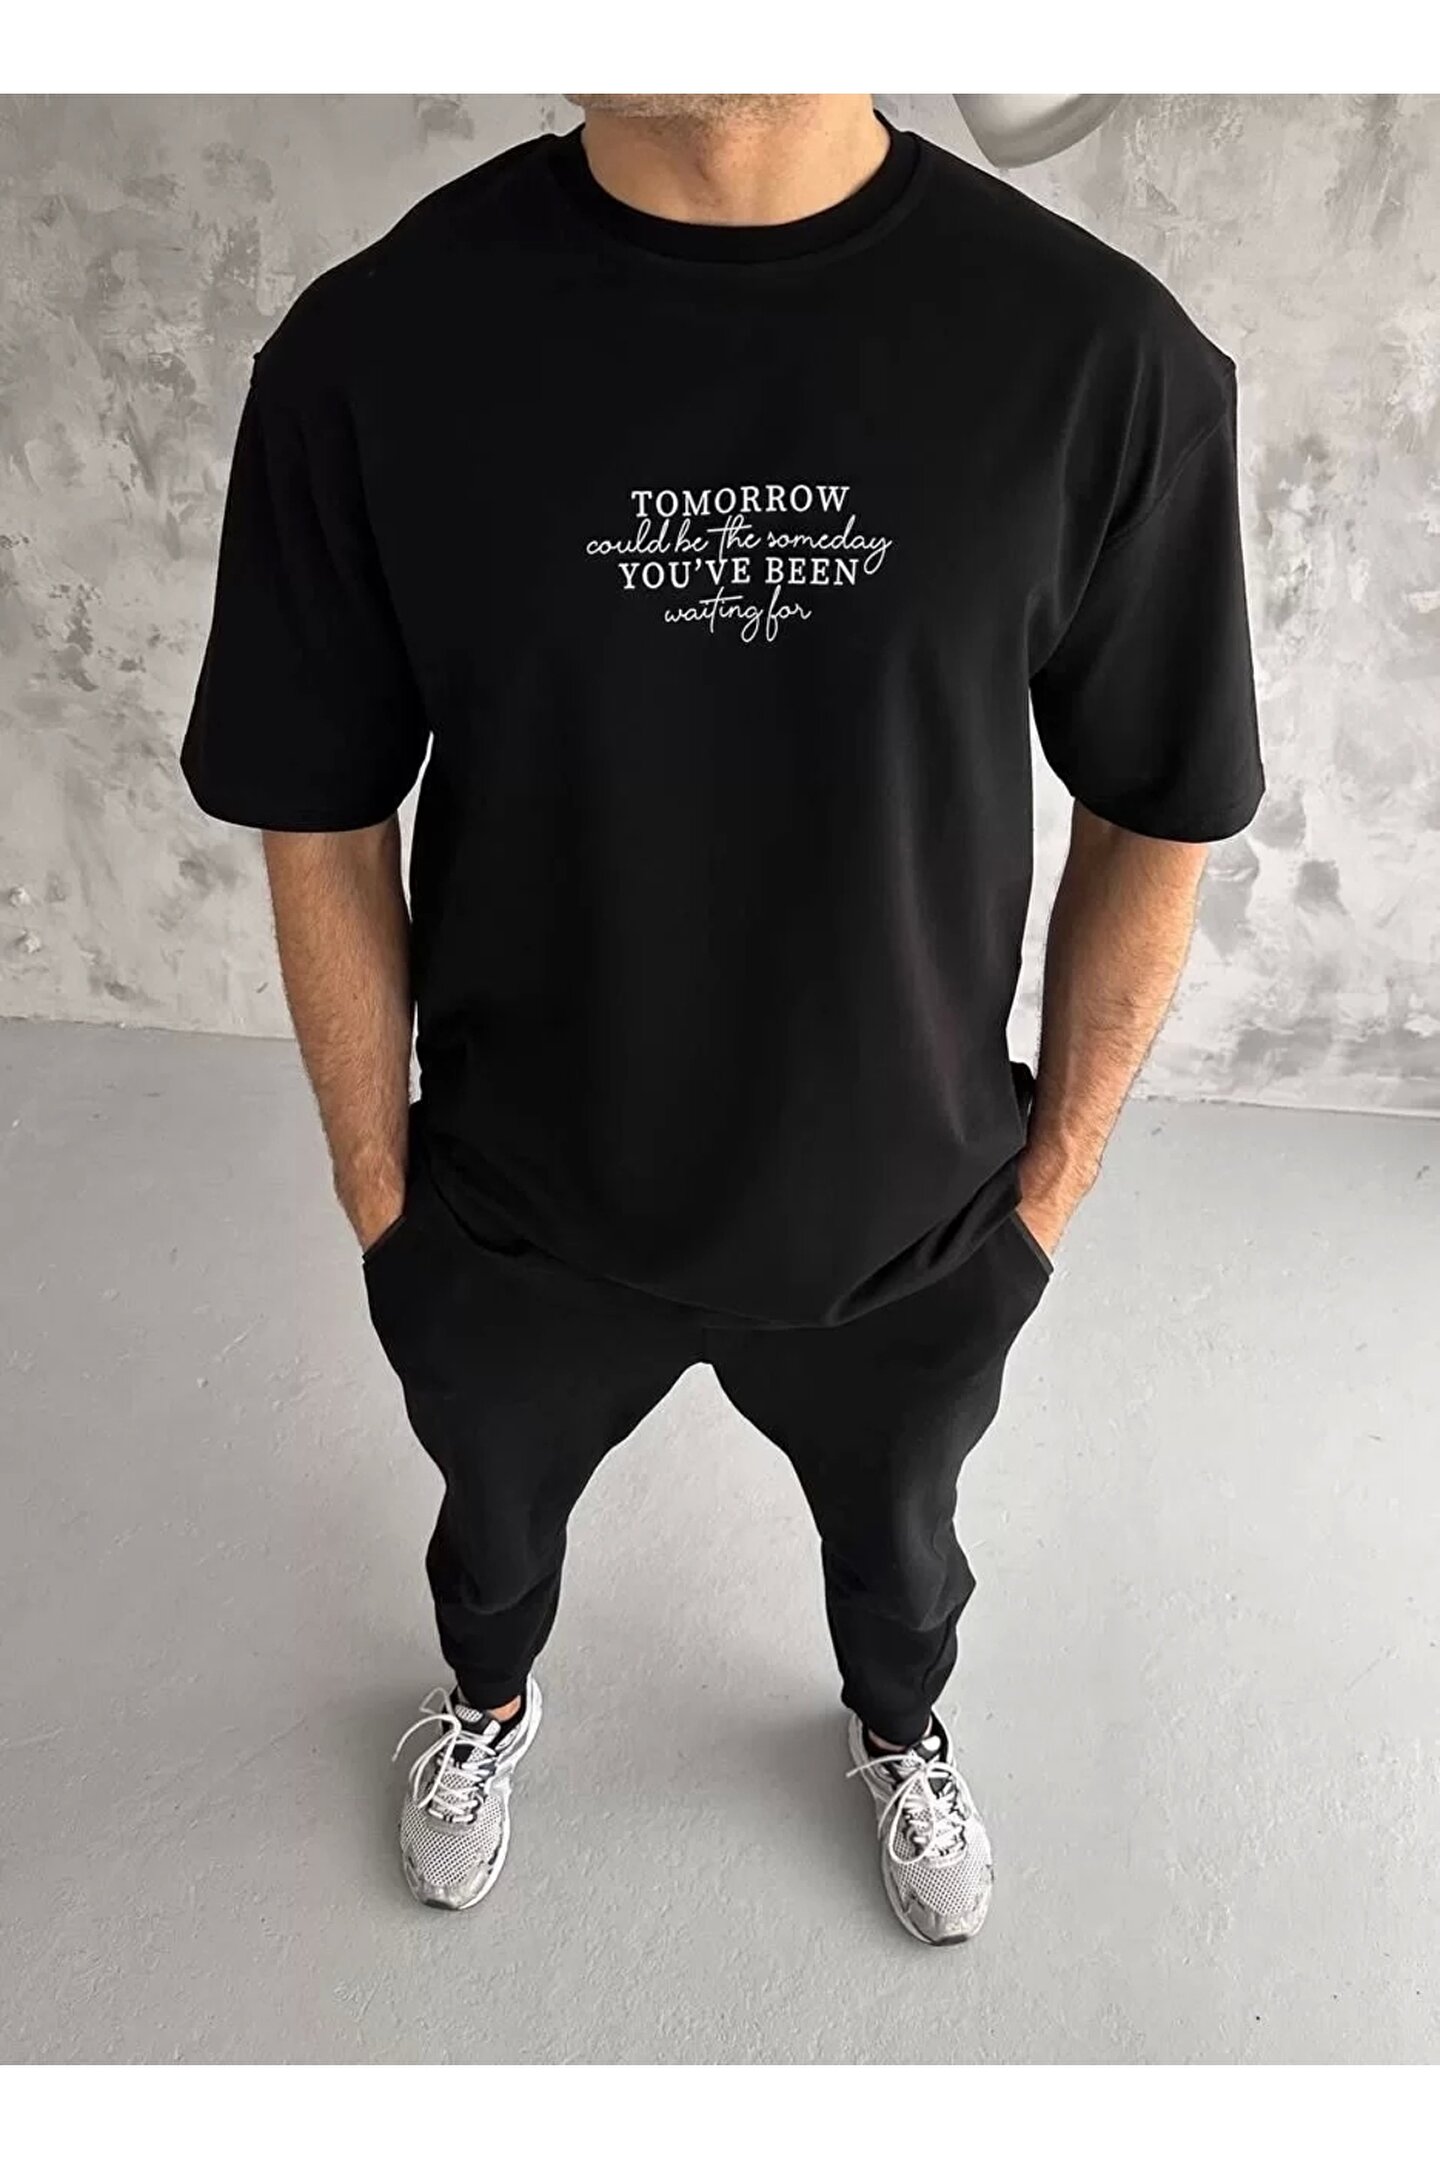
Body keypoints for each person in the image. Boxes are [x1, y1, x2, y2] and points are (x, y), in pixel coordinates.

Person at [180, 93, 1263, 1945]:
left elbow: (1160, 801)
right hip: (513, 1212)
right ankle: (487, 1701)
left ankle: (898, 1726)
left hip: (915, 1218)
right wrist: (380, 1191)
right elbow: (319, 805)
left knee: (906, 1561)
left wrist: (1051, 1187)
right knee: (489, 1533)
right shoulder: (377, 351)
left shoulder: (1096, 356)